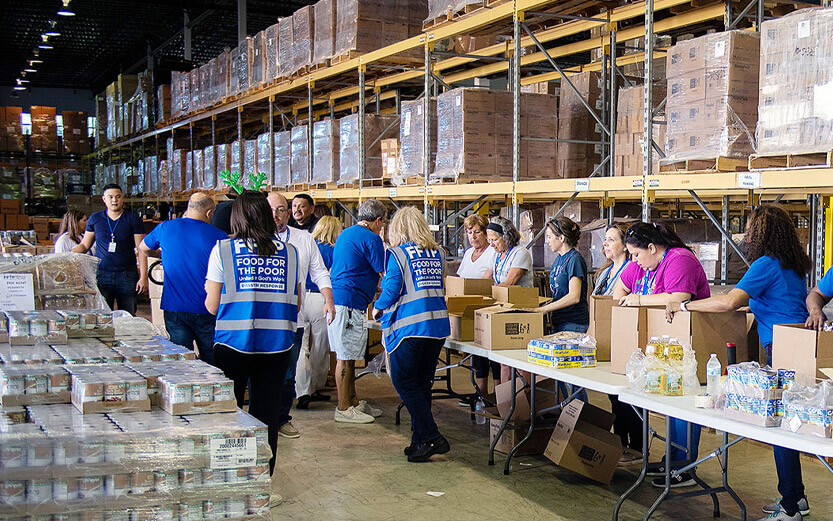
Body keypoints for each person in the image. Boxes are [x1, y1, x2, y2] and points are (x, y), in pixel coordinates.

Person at [666, 205, 812, 521]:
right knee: (788, 426)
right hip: (797, 346)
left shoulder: (766, 264)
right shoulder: (792, 266)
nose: (745, 235)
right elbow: (774, 303)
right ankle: (796, 497)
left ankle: (789, 508)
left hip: (781, 351)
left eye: (749, 229)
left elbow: (730, 301)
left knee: (778, 429)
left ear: (760, 233)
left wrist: (685, 305)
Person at [204, 191, 300, 477]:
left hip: (233, 345)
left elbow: (211, 305)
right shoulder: (289, 252)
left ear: (237, 216)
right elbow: (296, 300)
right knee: (266, 416)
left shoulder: (224, 250)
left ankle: (230, 477)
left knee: (229, 413)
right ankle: (261, 482)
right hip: (277, 346)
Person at [612, 221, 710, 488]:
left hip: (688, 343)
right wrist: (639, 297)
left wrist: (640, 300)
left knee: (683, 404)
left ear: (652, 247)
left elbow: (679, 298)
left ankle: (685, 467)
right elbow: (619, 290)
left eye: (636, 255)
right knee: (668, 404)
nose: (634, 261)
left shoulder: (679, 259)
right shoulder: (644, 264)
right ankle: (673, 459)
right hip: (662, 346)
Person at [373, 207, 451, 462]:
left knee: (404, 383)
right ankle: (420, 442)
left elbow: (392, 289)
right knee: (422, 385)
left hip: (409, 329)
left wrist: (377, 308)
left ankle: (431, 435)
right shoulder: (439, 253)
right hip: (437, 328)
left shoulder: (397, 254)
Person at [266, 193, 335, 439]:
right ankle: (259, 420)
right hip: (262, 321)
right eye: (272, 209)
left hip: (292, 321)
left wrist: (329, 300)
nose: (276, 215)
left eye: (281, 210)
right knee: (261, 373)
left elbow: (319, 272)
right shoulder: (256, 240)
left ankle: (282, 419)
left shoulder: (303, 239)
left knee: (287, 374)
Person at [139, 193, 228, 366]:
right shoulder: (220, 236)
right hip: (207, 309)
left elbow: (144, 248)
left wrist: (161, 254)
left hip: (175, 308)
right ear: (209, 213)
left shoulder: (165, 228)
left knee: (181, 362)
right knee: (212, 361)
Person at [327, 198, 387, 423]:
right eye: (382, 223)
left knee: (349, 355)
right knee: (345, 356)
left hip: (343, 301)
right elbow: (384, 272)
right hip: (349, 304)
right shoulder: (372, 238)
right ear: (378, 220)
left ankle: (352, 401)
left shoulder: (346, 233)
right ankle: (343, 407)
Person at [592, 223, 642, 467]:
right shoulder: (604, 272)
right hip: (605, 337)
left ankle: (637, 447)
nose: (606, 244)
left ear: (625, 245)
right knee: (614, 395)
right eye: (605, 240)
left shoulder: (633, 269)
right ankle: (620, 443)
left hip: (625, 337)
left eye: (611, 239)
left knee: (629, 395)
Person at [532, 217, 589, 404]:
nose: (547, 241)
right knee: (561, 376)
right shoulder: (558, 260)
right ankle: (570, 415)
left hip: (573, 324)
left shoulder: (574, 260)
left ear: (562, 238)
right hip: (559, 322)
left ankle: (582, 418)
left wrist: (544, 310)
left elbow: (574, 296)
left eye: (549, 237)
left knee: (572, 378)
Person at [73, 183, 148, 315]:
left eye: (118, 197)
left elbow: (141, 249)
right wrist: (68, 255)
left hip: (127, 275)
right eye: (111, 197)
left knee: (128, 315)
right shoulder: (95, 219)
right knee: (103, 316)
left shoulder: (132, 220)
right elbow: (85, 245)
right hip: (103, 274)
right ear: (104, 199)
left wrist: (143, 277)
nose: (114, 200)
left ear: (122, 198)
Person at [296, 216, 342, 410]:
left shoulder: (305, 245)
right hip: (320, 298)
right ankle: (315, 386)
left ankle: (302, 391)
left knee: (301, 347)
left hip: (300, 296)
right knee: (320, 347)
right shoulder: (334, 251)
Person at [456, 214, 500, 397]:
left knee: (494, 355)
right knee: (477, 352)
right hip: (469, 307)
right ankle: (480, 392)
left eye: (476, 232)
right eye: (469, 233)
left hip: (488, 306)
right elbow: (460, 280)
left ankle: (499, 394)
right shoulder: (468, 254)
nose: (472, 237)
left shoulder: (492, 252)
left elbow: (487, 278)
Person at [481, 216, 533, 288]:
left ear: (506, 237)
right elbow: (485, 279)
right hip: (501, 296)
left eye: (494, 240)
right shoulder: (496, 255)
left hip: (519, 297)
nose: (491, 245)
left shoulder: (520, 253)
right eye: (489, 240)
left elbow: (509, 284)